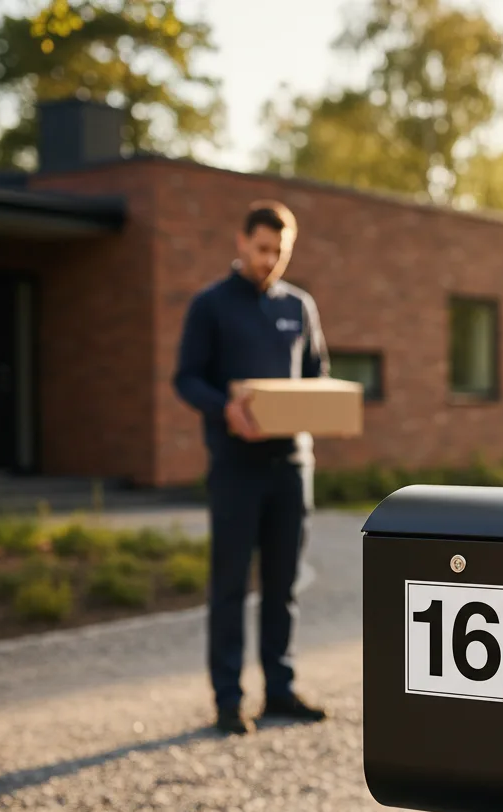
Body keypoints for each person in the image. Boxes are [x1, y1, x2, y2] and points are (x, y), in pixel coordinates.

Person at [173, 200, 328, 734]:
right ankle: (228, 699)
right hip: (235, 467)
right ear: (241, 242)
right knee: (230, 587)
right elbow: (186, 378)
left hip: (292, 466)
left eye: (280, 251)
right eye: (262, 249)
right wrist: (226, 408)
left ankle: (280, 689)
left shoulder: (300, 306)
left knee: (283, 584)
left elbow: (317, 374)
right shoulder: (210, 305)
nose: (270, 260)